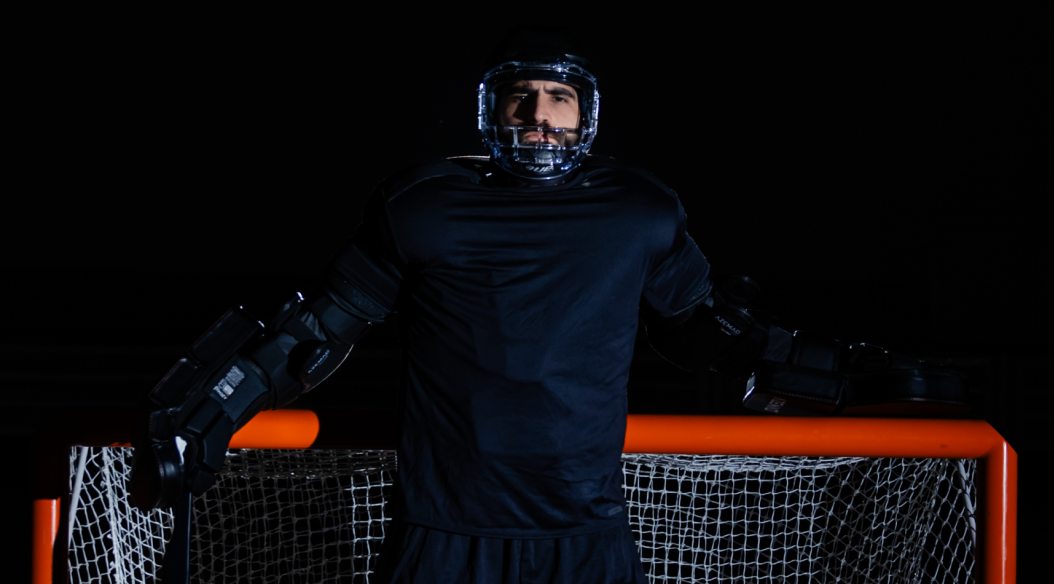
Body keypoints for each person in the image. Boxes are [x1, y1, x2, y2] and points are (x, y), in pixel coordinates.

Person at [129, 24, 968, 584]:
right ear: (491, 110)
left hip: (585, 529)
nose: (539, 116)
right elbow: (316, 331)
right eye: (522, 97)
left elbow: (713, 333)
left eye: (558, 98)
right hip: (444, 530)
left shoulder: (638, 210)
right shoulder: (424, 205)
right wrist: (210, 407)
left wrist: (849, 374)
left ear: (587, 113)